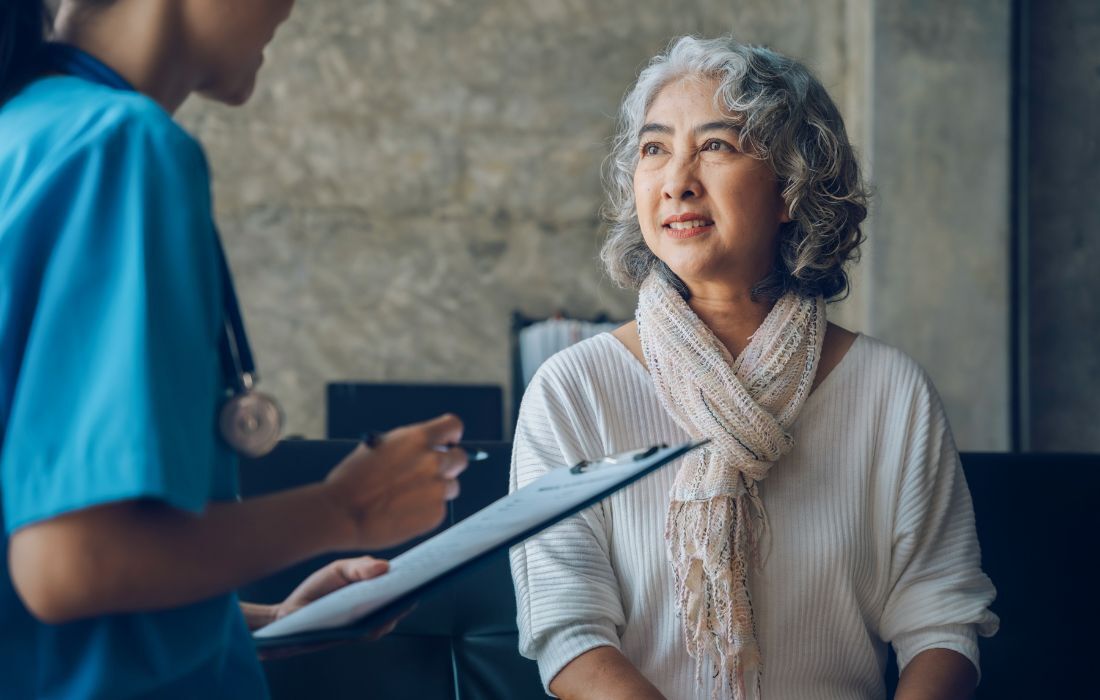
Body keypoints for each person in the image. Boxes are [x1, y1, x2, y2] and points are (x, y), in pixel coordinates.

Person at [0, 1, 469, 698]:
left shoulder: (29, 129)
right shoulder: (121, 145)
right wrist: (346, 509)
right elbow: (73, 564)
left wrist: (268, 620)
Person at [509, 36, 998, 700]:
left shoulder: (891, 390)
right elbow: (568, 632)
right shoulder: (573, 390)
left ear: (791, 187)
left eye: (716, 146)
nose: (678, 179)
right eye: (654, 149)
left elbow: (941, 620)